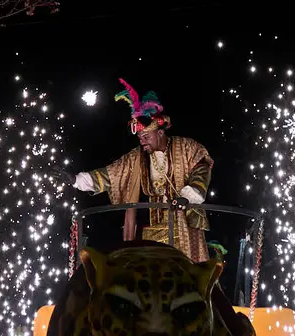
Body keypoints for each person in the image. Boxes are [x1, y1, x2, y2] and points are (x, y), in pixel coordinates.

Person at [56, 79, 214, 262]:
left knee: (190, 275)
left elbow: (202, 166)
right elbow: (110, 175)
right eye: (140, 137)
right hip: (154, 231)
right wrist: (75, 179)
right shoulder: (137, 157)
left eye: (146, 136)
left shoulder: (186, 146)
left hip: (185, 228)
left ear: (160, 132)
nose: (142, 141)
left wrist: (190, 194)